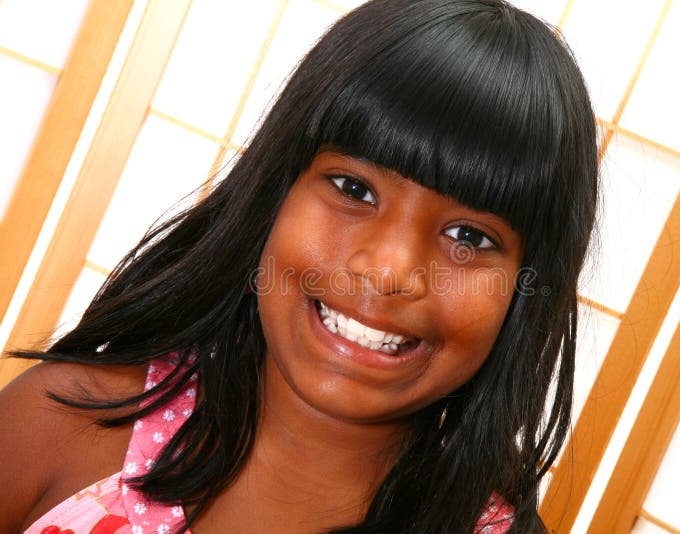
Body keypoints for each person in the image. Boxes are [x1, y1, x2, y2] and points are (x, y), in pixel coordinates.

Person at [0, 0, 598, 532]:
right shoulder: (60, 426)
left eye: (469, 236)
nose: (388, 270)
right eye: (353, 189)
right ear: (272, 193)